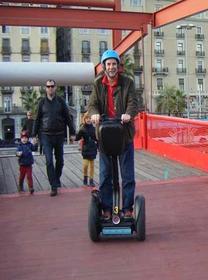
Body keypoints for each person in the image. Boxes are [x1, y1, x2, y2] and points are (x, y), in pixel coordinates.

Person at [87, 49, 138, 219]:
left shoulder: (128, 82)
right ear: (104, 66)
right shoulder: (97, 84)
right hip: (105, 135)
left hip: (124, 134)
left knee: (127, 175)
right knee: (105, 175)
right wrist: (94, 114)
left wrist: (128, 114)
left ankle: (127, 208)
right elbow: (92, 104)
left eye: (114, 64)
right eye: (108, 64)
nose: (111, 67)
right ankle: (107, 208)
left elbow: (133, 103)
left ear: (118, 66)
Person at [32, 79, 76, 197]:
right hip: (45, 136)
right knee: (49, 161)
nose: (50, 88)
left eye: (52, 86)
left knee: (60, 161)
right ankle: (53, 185)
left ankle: (56, 179)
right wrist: (34, 135)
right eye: (48, 86)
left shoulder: (61, 101)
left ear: (55, 88)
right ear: (45, 88)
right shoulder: (41, 102)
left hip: (59, 135)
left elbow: (68, 118)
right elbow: (37, 120)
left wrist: (72, 133)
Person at [75, 112, 97, 187]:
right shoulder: (82, 129)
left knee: (92, 166)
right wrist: (76, 136)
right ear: (84, 119)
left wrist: (98, 145)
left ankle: (91, 180)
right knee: (85, 165)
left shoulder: (94, 128)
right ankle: (85, 178)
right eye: (87, 118)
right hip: (85, 149)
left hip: (92, 148)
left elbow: (97, 138)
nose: (88, 120)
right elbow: (77, 137)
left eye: (90, 118)